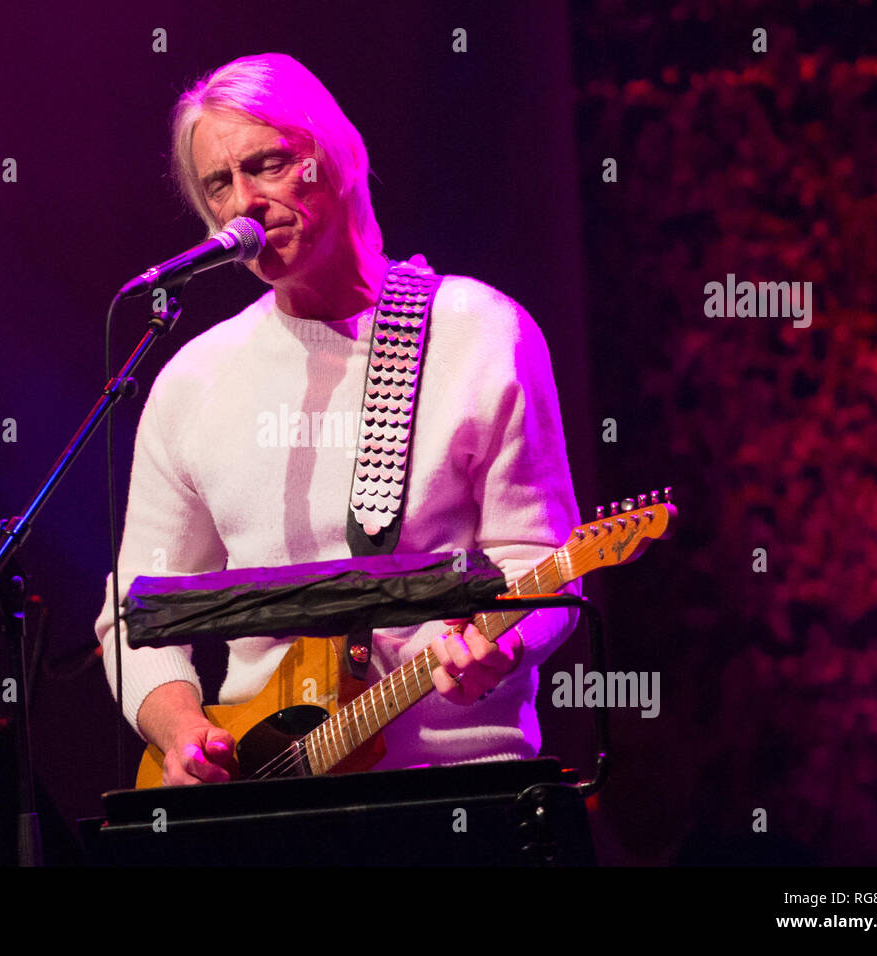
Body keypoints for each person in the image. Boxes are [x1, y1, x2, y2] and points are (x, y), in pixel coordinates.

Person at [96, 52, 581, 786]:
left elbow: (541, 559)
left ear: (340, 158)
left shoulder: (480, 334)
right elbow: (135, 616)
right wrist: (183, 733)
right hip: (273, 795)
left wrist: (504, 646)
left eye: (267, 164)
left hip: (462, 786)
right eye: (218, 184)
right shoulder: (191, 381)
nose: (243, 204)